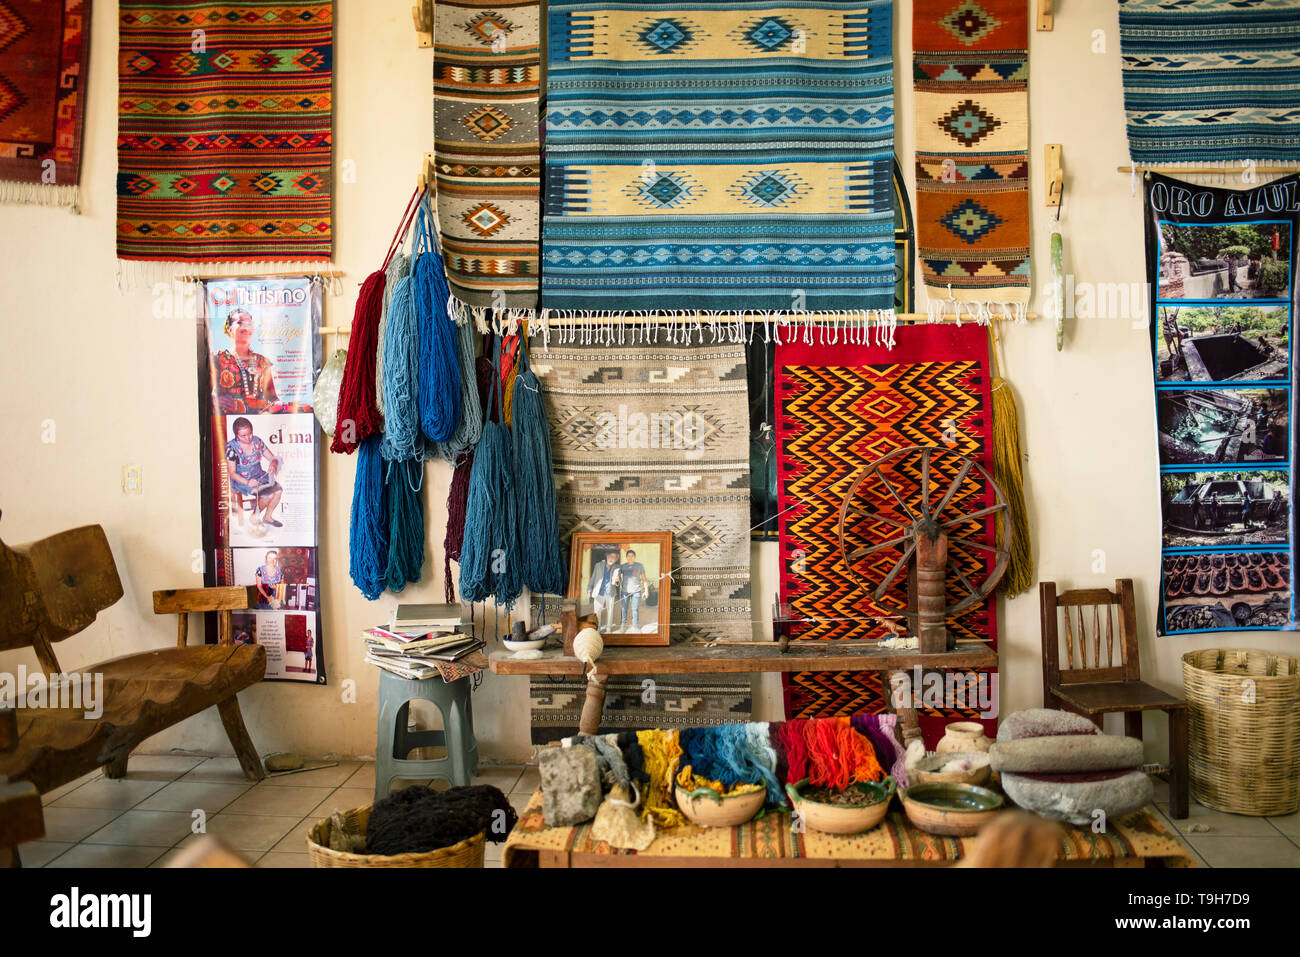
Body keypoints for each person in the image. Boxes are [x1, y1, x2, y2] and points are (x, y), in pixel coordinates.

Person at [212, 308, 284, 414]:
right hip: (226, 422)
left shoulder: (262, 361)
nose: (246, 327)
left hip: (260, 422)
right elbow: (205, 393)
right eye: (240, 322)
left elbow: (272, 397)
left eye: (249, 324)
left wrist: (281, 406)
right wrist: (214, 399)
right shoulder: (218, 358)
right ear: (229, 329)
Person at [226, 417, 283, 527]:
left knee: (278, 491)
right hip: (242, 481)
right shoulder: (231, 448)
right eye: (243, 436)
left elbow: (273, 458)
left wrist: (274, 464)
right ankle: (254, 517)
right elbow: (232, 473)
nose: (248, 438)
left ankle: (267, 517)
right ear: (236, 436)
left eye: (250, 434)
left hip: (260, 476)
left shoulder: (257, 441)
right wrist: (247, 482)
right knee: (269, 495)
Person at [588, 550, 621, 631]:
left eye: (614, 557)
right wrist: (589, 590)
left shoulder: (617, 567)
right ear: (607, 556)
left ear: (616, 559)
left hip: (610, 592)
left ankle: (608, 629)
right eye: (610, 556)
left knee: (610, 611)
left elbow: (619, 581)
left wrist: (617, 581)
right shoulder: (598, 565)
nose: (611, 558)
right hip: (599, 592)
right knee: (597, 611)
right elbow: (593, 578)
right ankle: (597, 628)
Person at [618, 549, 650, 632]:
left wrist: (646, 590)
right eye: (628, 556)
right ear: (626, 557)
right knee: (624, 609)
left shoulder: (639, 566)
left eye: (632, 556)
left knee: (634, 609)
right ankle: (623, 625)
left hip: (636, 591)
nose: (630, 557)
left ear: (634, 557)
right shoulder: (623, 566)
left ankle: (635, 626)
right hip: (625, 591)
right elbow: (617, 577)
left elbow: (644, 579)